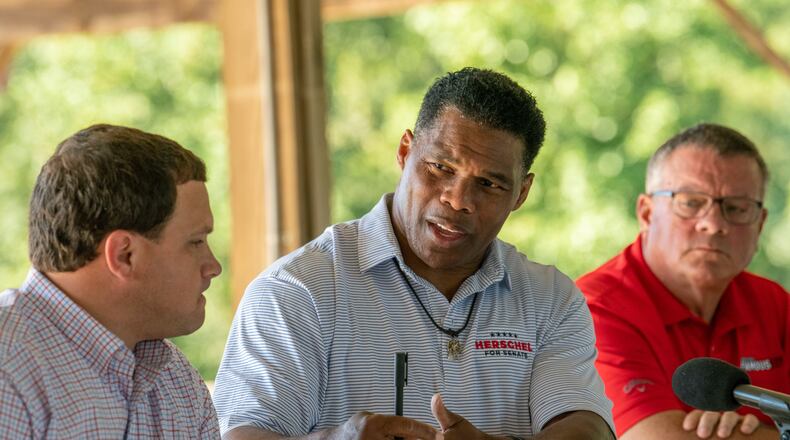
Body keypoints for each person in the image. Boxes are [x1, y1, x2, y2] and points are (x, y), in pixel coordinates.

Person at [213, 67, 615, 440]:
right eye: (440, 167)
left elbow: (586, 426)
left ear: (522, 193)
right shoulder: (298, 290)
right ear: (405, 151)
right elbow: (244, 434)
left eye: (490, 184)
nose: (458, 200)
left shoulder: (549, 297)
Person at [0, 124, 223, 438]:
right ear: (124, 255)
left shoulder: (178, 382)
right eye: (197, 242)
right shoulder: (8, 371)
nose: (213, 267)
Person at [577, 123, 789, 440]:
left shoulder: (774, 304)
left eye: (737, 208)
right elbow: (654, 437)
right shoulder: (591, 308)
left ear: (760, 225)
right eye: (691, 202)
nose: (714, 224)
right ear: (646, 214)